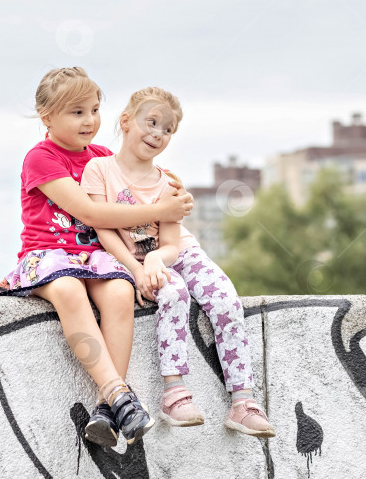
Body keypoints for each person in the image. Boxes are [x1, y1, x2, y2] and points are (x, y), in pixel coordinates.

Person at [0, 68, 194, 446]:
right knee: (67, 290)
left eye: (95, 110)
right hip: (49, 255)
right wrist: (162, 210)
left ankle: (105, 408)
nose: (90, 121)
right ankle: (119, 392)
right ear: (47, 117)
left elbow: (144, 187)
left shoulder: (103, 157)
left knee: (118, 293)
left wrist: (175, 200)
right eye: (77, 112)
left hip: (94, 256)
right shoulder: (41, 158)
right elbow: (92, 214)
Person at [80, 87, 276, 438]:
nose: (158, 133)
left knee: (225, 299)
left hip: (175, 253)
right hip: (136, 260)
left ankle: (243, 402)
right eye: (151, 122)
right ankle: (174, 394)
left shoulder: (168, 182)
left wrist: (155, 257)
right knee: (173, 294)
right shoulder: (99, 169)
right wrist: (137, 268)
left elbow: (171, 243)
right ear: (126, 121)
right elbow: (103, 228)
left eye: (167, 129)